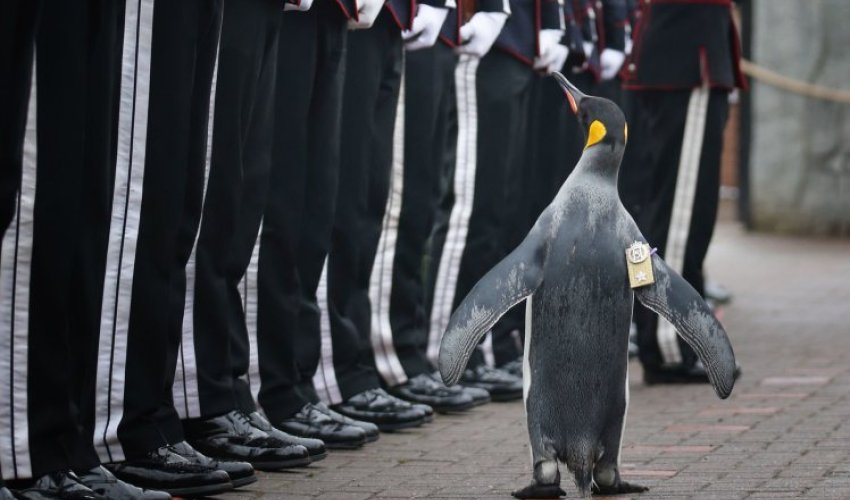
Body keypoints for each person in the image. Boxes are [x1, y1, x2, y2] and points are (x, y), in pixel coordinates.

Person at [248, 0, 383, 450]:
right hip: (289, 15)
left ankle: (293, 383)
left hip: (336, 11)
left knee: (316, 206)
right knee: (275, 198)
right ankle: (259, 386)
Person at [423, 0, 564, 400]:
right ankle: (448, 347)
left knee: (505, 210)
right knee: (471, 209)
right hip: (488, 35)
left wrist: (552, 21)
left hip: (519, 38)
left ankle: (484, 343)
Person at [620, 0, 746, 384]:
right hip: (687, 61)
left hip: (685, 58)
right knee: (677, 223)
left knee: (673, 215)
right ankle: (666, 343)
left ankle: (668, 341)